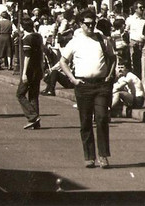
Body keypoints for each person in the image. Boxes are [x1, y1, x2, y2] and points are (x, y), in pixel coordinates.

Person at [58, 9, 116, 169]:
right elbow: (63, 61)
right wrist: (73, 79)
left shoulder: (102, 39)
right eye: (88, 24)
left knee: (102, 117)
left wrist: (109, 75)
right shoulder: (75, 42)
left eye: (93, 24)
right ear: (80, 24)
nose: (91, 27)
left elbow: (112, 58)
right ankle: (89, 156)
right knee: (85, 121)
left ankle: (103, 155)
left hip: (101, 85)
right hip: (83, 85)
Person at [16, 16, 44, 130]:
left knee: (20, 94)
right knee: (33, 95)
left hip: (29, 70)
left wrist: (24, 73)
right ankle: (35, 122)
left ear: (23, 27)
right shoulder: (38, 37)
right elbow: (41, 52)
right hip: (37, 69)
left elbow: (27, 56)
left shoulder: (27, 39)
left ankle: (32, 116)